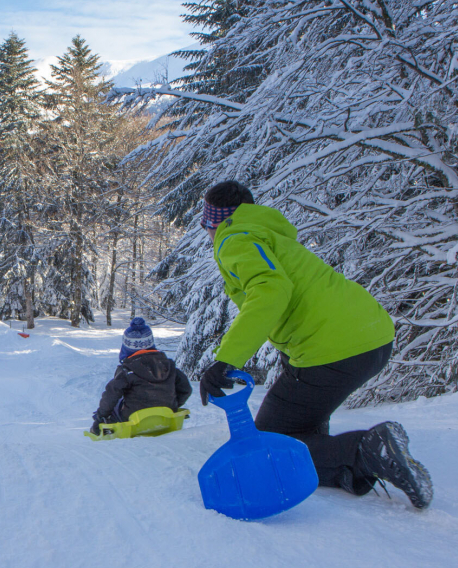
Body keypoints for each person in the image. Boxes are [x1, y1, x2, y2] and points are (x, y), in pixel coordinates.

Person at [196, 180, 432, 509]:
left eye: (206, 224)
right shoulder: (267, 233)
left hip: (334, 350)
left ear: (214, 222)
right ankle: (343, 465)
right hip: (372, 336)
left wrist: (226, 360)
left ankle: (368, 451)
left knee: (272, 443)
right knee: (296, 419)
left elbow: (271, 291)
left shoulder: (233, 238)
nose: (208, 232)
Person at [91, 317, 192, 435]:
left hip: (133, 418)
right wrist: (174, 404)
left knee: (115, 404)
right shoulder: (168, 366)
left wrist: (100, 416)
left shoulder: (127, 370)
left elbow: (111, 394)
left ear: (126, 348)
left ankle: (103, 428)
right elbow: (186, 389)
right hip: (167, 415)